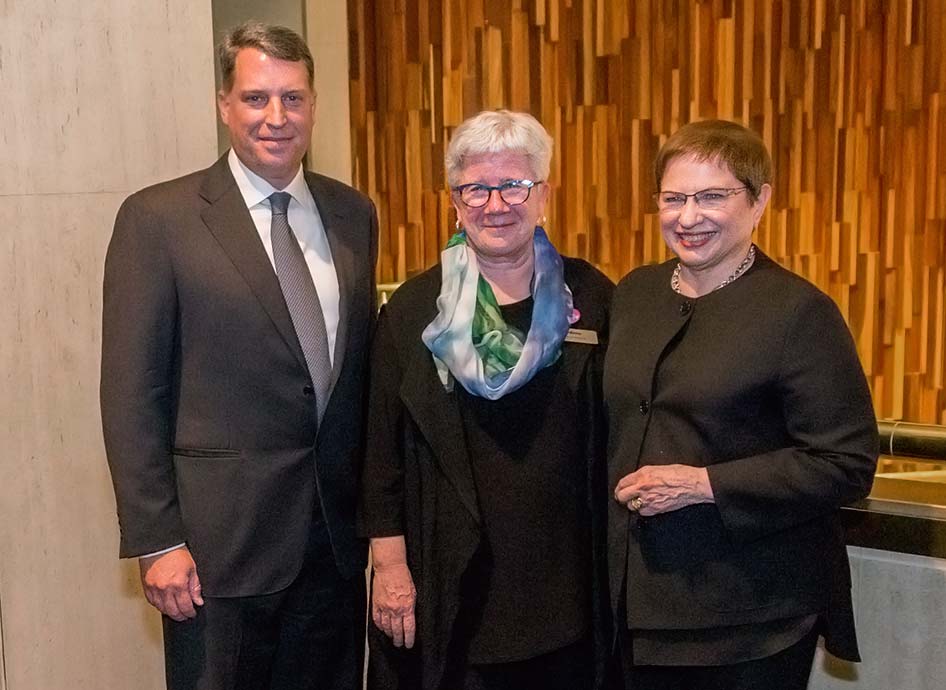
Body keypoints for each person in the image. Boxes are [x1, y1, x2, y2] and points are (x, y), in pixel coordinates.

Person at [100, 21, 378, 690]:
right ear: (224, 104)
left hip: (334, 549)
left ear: (314, 104)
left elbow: (355, 379)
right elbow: (131, 394)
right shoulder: (159, 220)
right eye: (256, 98)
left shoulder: (352, 214)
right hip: (215, 557)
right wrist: (158, 541)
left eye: (293, 98)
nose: (276, 117)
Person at [605, 119, 878, 690]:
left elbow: (845, 463)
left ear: (759, 202)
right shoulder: (634, 293)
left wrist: (705, 484)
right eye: (673, 198)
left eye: (712, 197)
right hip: (636, 607)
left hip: (751, 615)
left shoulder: (800, 313)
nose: (688, 216)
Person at [358, 109, 614, 690]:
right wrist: (391, 568)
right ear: (453, 199)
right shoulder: (414, 312)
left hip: (564, 584)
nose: (495, 204)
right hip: (447, 582)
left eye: (514, 185)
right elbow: (380, 456)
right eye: (475, 187)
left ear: (543, 194)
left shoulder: (593, 298)